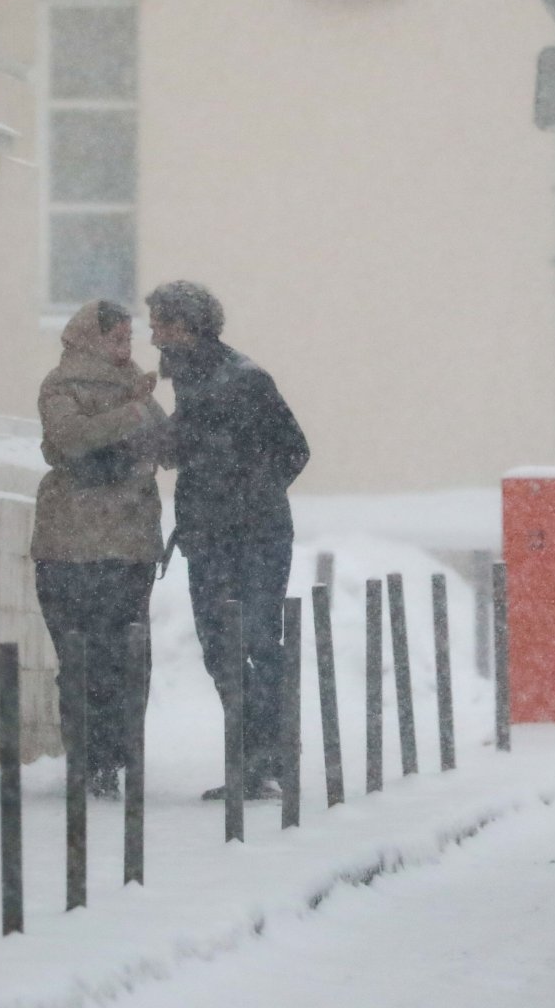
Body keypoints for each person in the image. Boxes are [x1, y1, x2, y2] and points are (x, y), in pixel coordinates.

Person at [146, 281, 309, 800]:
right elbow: (188, 451)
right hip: (210, 537)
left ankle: (271, 758)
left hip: (252, 536)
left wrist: (247, 499)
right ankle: (253, 761)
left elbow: (294, 448)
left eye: (160, 324)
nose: (153, 335)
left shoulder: (244, 380)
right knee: (220, 647)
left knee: (258, 640)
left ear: (188, 326)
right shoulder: (191, 380)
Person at [32, 300, 169, 798]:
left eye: (128, 340)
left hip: (128, 547)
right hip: (72, 547)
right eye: (117, 339)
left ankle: (116, 758)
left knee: (126, 659)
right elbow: (70, 439)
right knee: (82, 658)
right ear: (91, 338)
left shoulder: (135, 384)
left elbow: (166, 443)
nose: (125, 349)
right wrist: (130, 413)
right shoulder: (62, 384)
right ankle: (91, 760)